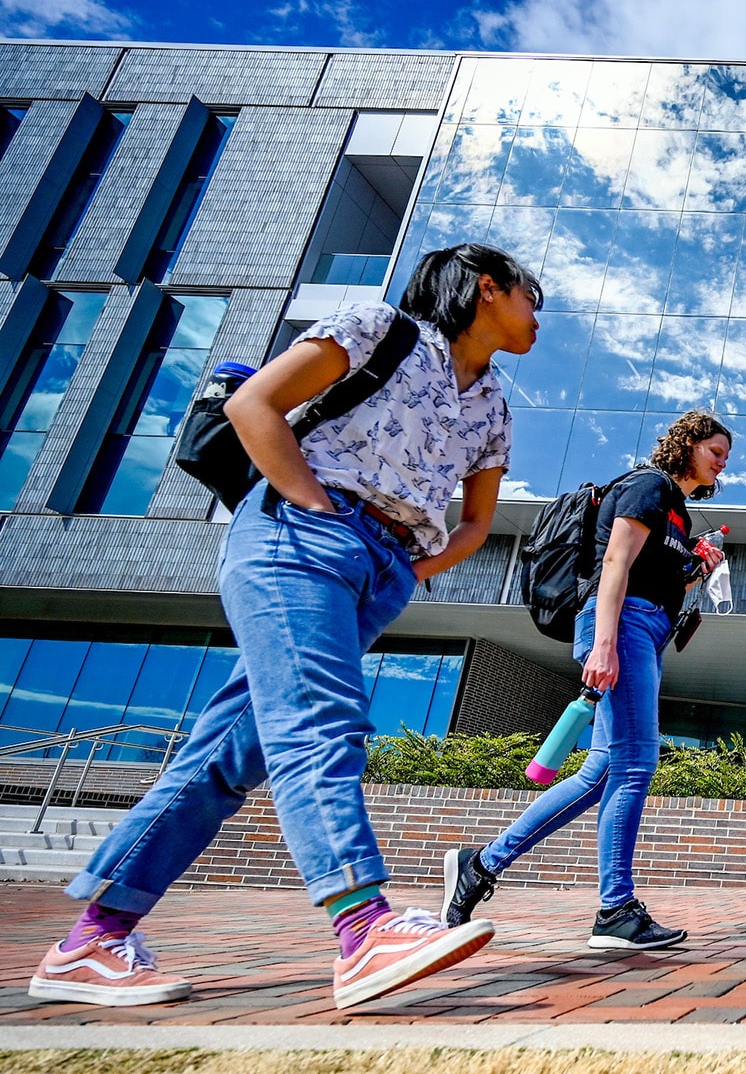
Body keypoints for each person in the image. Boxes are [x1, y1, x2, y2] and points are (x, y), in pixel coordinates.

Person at [31, 244, 538, 1010]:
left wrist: (399, 570)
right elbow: (253, 404)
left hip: (380, 568)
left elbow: (474, 525)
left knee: (228, 760)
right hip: (298, 537)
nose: (540, 317)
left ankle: (93, 941)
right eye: (533, 298)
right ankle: (362, 925)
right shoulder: (381, 328)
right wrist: (311, 507)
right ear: (488, 288)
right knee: (320, 722)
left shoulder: (495, 405)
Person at [440, 410, 731, 951]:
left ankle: (480, 864)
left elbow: (658, 580)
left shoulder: (676, 513)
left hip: (644, 629)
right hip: (621, 627)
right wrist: (604, 643)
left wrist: (695, 569)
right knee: (638, 763)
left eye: (725, 457)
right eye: (715, 450)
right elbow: (615, 565)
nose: (721, 463)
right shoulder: (649, 486)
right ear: (687, 444)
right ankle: (615, 909)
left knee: (603, 772)